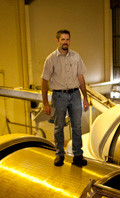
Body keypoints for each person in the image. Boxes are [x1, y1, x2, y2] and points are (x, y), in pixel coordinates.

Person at [41, 29, 89, 167]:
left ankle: (78, 156)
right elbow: (44, 81)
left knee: (77, 127)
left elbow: (81, 77)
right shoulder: (51, 59)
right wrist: (45, 103)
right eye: (62, 39)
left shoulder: (76, 57)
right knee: (58, 127)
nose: (65, 42)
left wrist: (85, 98)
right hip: (59, 96)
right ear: (57, 41)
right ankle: (59, 154)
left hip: (75, 95)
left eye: (67, 39)